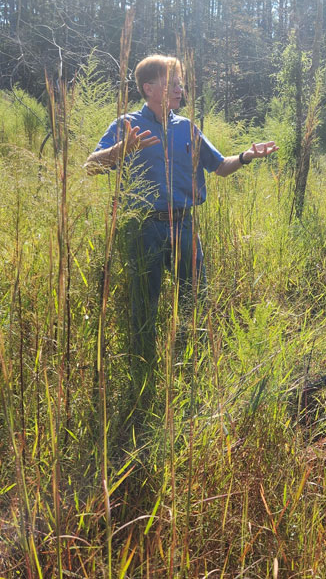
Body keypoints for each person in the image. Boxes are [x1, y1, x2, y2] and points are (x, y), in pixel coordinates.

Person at [86, 54, 277, 400]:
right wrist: (122, 149)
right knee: (145, 304)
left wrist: (247, 156)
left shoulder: (186, 127)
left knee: (194, 299)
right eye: (172, 81)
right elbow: (90, 166)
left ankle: (193, 371)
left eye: (180, 81)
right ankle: (143, 378)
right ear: (149, 88)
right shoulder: (127, 125)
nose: (180, 87)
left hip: (185, 227)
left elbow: (219, 166)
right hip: (145, 229)